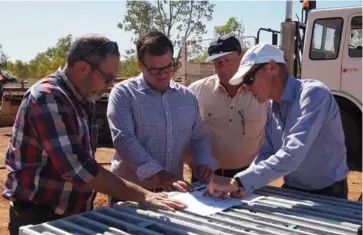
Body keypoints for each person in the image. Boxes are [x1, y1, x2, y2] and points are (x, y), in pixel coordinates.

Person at [3, 34, 187, 235]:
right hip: (40, 216)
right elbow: (80, 169)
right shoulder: (47, 98)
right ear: (83, 68)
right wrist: (144, 195)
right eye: (108, 77)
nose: (110, 85)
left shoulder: (82, 98)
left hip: (71, 213)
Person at [205, 43, 349, 199]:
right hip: (293, 188)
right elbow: (266, 152)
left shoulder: (314, 94)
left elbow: (293, 153)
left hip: (328, 192)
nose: (245, 87)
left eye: (249, 78)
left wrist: (240, 181)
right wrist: (244, 182)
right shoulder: (273, 106)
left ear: (272, 67)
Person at [107, 31, 217, 204]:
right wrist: (159, 174)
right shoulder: (123, 94)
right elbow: (124, 140)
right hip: (131, 193)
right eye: (154, 69)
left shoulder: (187, 97)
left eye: (167, 67)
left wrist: (202, 162)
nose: (163, 74)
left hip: (172, 192)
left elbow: (199, 137)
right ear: (140, 65)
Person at [188, 34, 268, 178]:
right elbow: (187, 134)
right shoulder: (196, 91)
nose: (223, 65)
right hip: (206, 175)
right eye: (217, 62)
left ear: (242, 56)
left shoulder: (261, 92)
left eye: (228, 60)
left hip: (250, 175)